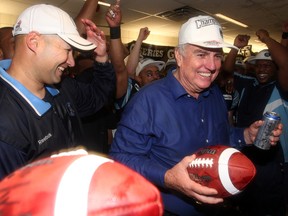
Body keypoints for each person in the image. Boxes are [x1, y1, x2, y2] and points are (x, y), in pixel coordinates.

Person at [109, 15, 283, 215]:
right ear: (179, 56)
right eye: (201, 54)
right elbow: (120, 157)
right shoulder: (148, 100)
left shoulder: (214, 92)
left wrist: (246, 136)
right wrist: (168, 177)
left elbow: (223, 136)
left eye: (217, 55)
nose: (211, 66)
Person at [0, 4, 115, 179]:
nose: (72, 62)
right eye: (67, 50)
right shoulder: (6, 122)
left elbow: (99, 96)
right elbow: (12, 202)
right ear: (33, 42)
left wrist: (101, 57)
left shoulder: (62, 87)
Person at [222, 32, 288, 215]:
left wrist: (267, 39)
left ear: (276, 69)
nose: (262, 69)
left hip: (273, 161)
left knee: (269, 204)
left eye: (267, 65)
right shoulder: (248, 83)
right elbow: (226, 71)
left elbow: (286, 64)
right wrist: (235, 47)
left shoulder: (281, 88)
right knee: (246, 202)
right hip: (245, 152)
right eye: (259, 66)